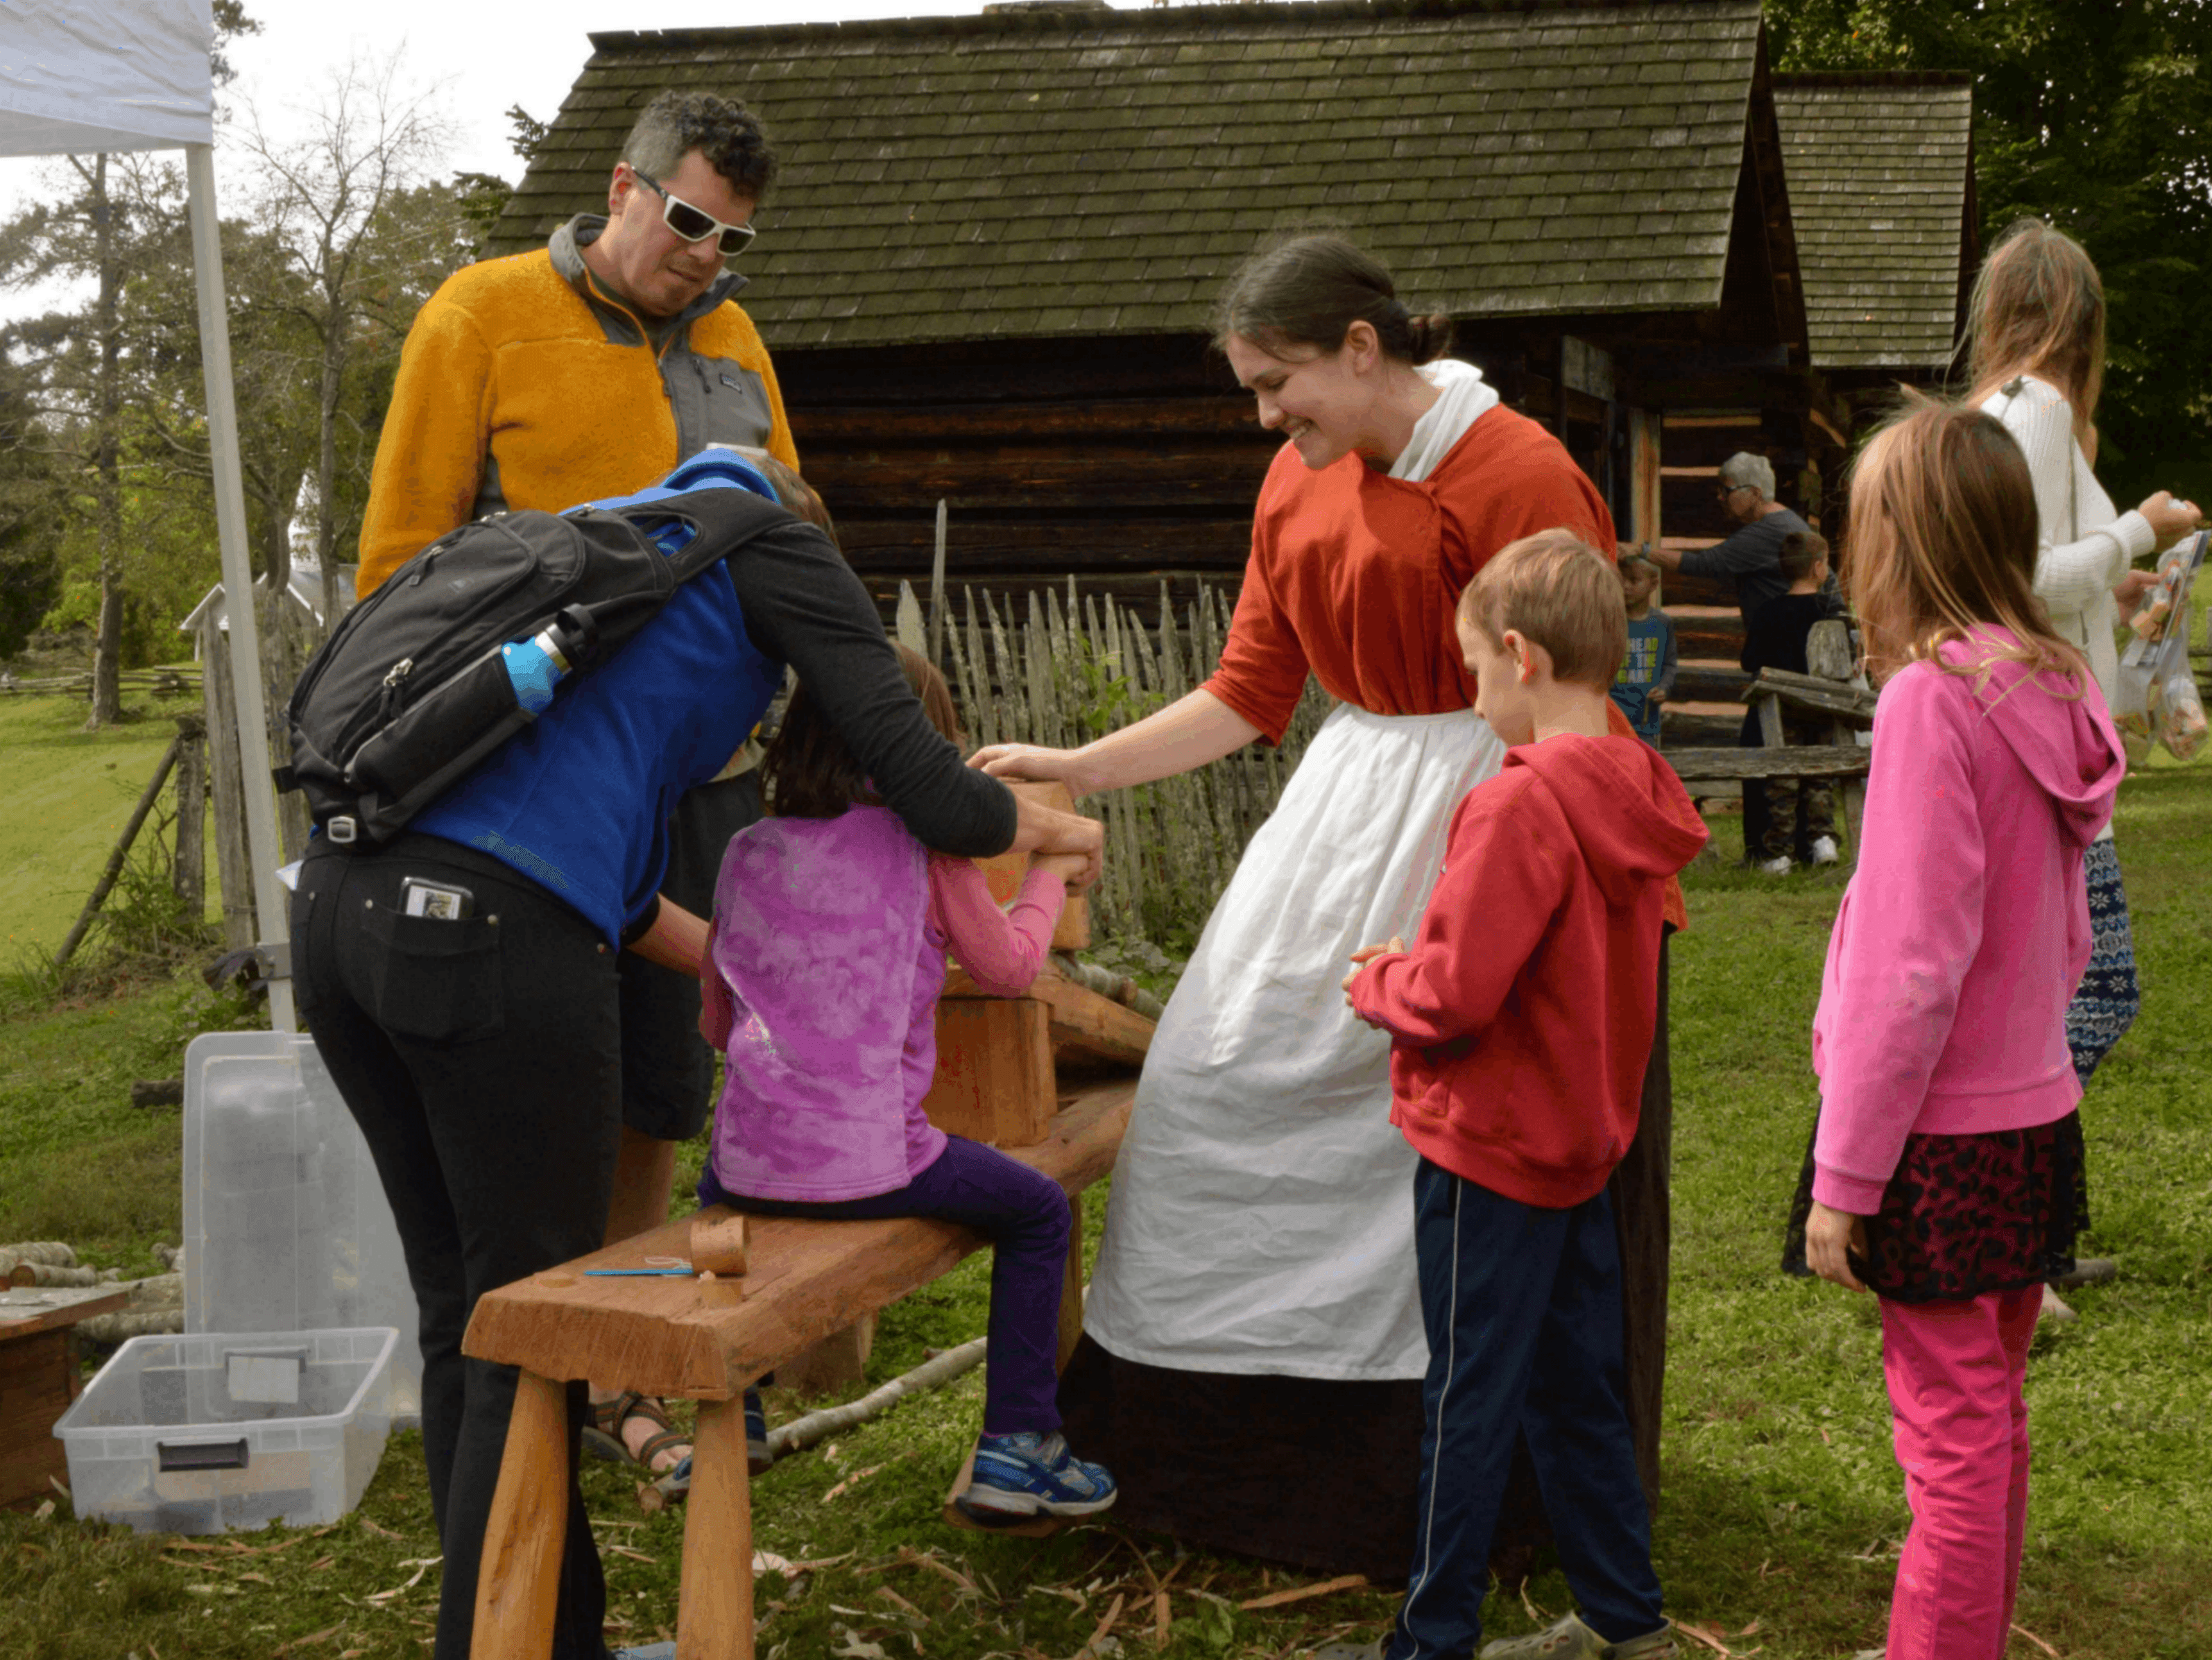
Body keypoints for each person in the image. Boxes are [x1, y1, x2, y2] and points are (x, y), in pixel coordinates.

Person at [293, 453, 1101, 1660]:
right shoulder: (767, 544)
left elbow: (627, 904)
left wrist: (786, 971)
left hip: (337, 913)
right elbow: (936, 793)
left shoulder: (605, 556)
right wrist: (1046, 829)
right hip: (486, 935)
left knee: (469, 1318)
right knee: (528, 1337)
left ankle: (551, 1640)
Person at [970, 233, 1677, 1576]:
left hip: (1495, 805)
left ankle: (1464, 1487)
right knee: (1207, 1079)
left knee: (1438, 1121)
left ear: (1361, 348)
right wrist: (1076, 762)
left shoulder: (1516, 468)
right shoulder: (1294, 480)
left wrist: (1543, 882)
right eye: (1249, 389)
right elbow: (1248, 689)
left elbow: (1573, 695)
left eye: (1275, 382)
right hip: (1341, 813)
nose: (1262, 416)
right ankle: (1203, 1456)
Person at [355, 87, 805, 1478]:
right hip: (532, 785)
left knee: (661, 1074)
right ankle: (545, 1364)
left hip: (699, 766)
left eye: (731, 240)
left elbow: (791, 536)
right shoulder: (479, 313)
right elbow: (401, 569)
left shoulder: (732, 338)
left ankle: (627, 1358)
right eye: (686, 222)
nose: (704, 257)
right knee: (549, 1066)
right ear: (622, 187)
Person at [1322, 533, 1702, 1660]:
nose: (1473, 693)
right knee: (1577, 1387)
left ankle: (1430, 1638)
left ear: (1522, 655)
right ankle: (1627, 1620)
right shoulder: (1638, 789)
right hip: (1580, 1148)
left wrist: (1377, 978)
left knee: (1467, 1398)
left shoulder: (1515, 804)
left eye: (1474, 667)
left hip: (1488, 1154)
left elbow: (1450, 995)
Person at [1787, 400, 2124, 1660]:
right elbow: (2067, 934)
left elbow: (1907, 964)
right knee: (1986, 1415)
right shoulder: (2049, 680)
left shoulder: (1934, 699)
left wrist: (1844, 1177)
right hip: (2030, 1118)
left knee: (1949, 1435)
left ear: (1899, 539)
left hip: (1933, 1143)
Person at [696, 643, 1117, 1521]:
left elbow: (715, 1022)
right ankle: (1018, 1442)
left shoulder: (745, 851)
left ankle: (738, 1415)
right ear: (925, 746)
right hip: (879, 1162)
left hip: (742, 1167)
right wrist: (1046, 874)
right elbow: (1009, 968)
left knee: (713, 1199)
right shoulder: (927, 851)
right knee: (1040, 1209)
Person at [1966, 219, 2199, 1118]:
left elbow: (2035, 578)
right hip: (2046, 750)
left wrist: (2114, 582)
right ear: (2082, 320)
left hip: (2028, 738)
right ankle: (2009, 1167)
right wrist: (2141, 527)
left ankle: (2019, 1183)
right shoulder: (2037, 408)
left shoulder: (1998, 407)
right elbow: (2022, 573)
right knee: (2097, 992)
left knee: (2046, 995)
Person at [1739, 530, 1845, 873]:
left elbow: (1750, 661)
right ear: (1818, 567)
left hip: (1779, 713)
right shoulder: (1831, 610)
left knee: (1782, 780)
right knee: (1820, 774)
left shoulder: (1768, 612)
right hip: (1821, 709)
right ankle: (1822, 840)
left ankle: (1779, 852)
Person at [1645, 451, 1810, 628]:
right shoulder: (1787, 519)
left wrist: (1642, 552)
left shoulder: (1767, 531)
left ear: (1755, 493)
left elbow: (1702, 563)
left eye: (1727, 490)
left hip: (1782, 637)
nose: (1720, 497)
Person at [1609, 547, 1676, 746]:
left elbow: (1670, 664)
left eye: (1634, 581)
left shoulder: (1662, 624)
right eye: (1621, 580)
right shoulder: (1610, 621)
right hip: (1611, 721)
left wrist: (1663, 688)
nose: (1626, 587)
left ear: (1653, 584)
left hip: (1646, 721)